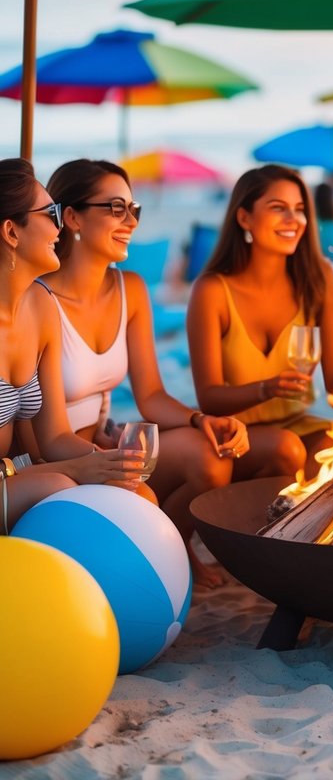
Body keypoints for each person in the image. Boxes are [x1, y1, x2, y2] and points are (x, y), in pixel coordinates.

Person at [43, 158, 248, 586]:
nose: (130, 221)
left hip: (105, 445)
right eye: (116, 208)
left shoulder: (129, 288)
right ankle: (162, 557)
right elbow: (33, 424)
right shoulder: (40, 298)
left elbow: (151, 394)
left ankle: (175, 545)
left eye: (134, 209)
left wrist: (200, 419)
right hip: (56, 456)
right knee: (140, 494)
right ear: (74, 217)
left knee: (210, 455)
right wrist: (100, 456)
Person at [0, 158, 142, 534]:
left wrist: (110, 463)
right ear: (11, 232)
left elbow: (55, 436)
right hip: (20, 476)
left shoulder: (41, 306)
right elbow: (53, 463)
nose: (60, 225)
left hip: (18, 474)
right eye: (50, 213)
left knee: (132, 494)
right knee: (59, 488)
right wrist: (74, 469)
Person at [187, 164, 333, 479]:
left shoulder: (322, 277)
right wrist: (267, 389)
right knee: (286, 448)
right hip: (234, 432)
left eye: (300, 209)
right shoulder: (212, 290)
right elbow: (209, 397)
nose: (294, 220)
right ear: (244, 217)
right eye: (279, 208)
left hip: (299, 424)